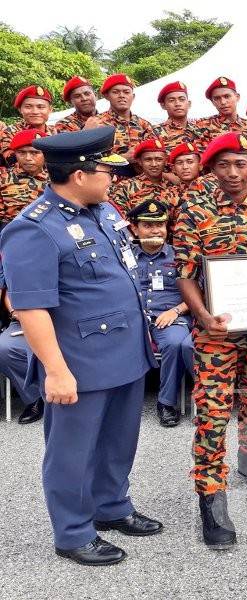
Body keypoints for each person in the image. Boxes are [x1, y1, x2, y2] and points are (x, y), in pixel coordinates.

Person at [0, 126, 162, 566]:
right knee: (72, 449)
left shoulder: (103, 211)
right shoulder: (32, 229)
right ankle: (72, 532)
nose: (113, 178)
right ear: (79, 174)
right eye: (105, 171)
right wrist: (55, 369)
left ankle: (111, 507)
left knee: (119, 439)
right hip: (80, 359)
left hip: (127, 350)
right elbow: (31, 308)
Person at [173, 132, 247, 549]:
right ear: (212, 169)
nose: (233, 173)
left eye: (240, 163)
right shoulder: (194, 210)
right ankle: (211, 496)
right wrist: (203, 315)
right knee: (213, 410)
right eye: (224, 165)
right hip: (216, 331)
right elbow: (185, 273)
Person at [128, 200, 193, 427]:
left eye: (160, 225)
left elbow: (198, 293)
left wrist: (175, 311)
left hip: (170, 318)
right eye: (148, 225)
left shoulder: (180, 256)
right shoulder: (124, 257)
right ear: (134, 229)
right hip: (133, 318)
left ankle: (166, 403)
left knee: (175, 343)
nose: (156, 230)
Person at [0, 260, 43, 424]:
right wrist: (14, 312)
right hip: (24, 316)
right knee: (4, 347)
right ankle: (37, 397)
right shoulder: (15, 249)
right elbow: (8, 290)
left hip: (64, 315)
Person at [88, 74, 154, 161]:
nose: (121, 95)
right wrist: (123, 159)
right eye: (115, 92)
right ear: (107, 96)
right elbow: (87, 158)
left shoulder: (144, 125)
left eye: (126, 92)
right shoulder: (96, 123)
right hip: (108, 173)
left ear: (133, 97)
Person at [108, 138, 175, 215]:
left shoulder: (173, 186)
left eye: (159, 159)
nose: (154, 164)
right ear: (140, 161)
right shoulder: (124, 187)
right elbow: (120, 218)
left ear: (166, 161)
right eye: (148, 160)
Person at [0, 129, 49, 228]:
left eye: (35, 153)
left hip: (48, 230)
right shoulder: (3, 178)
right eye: (21, 153)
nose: (28, 158)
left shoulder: (58, 178)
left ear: (45, 154)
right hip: (11, 231)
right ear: (15, 154)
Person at [0, 86, 56, 164]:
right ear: (20, 109)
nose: (35, 112)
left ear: (50, 110)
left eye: (41, 107)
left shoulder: (57, 132)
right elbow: (11, 159)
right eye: (28, 107)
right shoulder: (10, 132)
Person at [195, 77, 247, 148]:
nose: (223, 102)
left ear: (237, 97)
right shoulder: (202, 126)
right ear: (212, 102)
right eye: (217, 98)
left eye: (227, 96)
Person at [152, 81, 201, 152]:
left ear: (189, 104)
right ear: (163, 106)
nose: (177, 104)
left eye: (182, 99)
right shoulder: (155, 132)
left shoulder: (200, 129)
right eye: (172, 100)